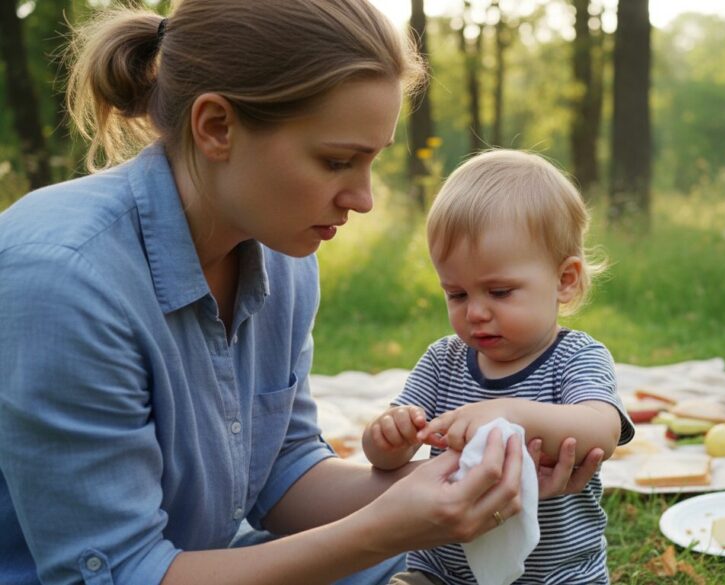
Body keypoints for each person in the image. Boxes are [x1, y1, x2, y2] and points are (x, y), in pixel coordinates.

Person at [0, 3, 602, 584]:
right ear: (216, 127)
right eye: (338, 160)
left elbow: (282, 474)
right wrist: (382, 532)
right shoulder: (64, 278)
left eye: (371, 162)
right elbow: (118, 573)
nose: (362, 199)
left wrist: (476, 479)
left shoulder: (280, 253)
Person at [362, 150, 636, 585]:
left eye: (500, 291)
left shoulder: (576, 357)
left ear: (565, 280)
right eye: (457, 295)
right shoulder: (442, 360)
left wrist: (510, 412)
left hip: (555, 574)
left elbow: (601, 428)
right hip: (444, 569)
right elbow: (383, 457)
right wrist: (389, 434)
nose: (476, 313)